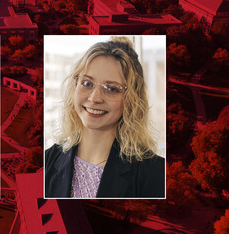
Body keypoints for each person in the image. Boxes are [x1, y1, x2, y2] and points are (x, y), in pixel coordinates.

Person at [45, 37, 165, 198]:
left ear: (132, 100)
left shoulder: (156, 174)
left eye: (111, 89)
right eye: (87, 83)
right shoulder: (45, 162)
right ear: (75, 86)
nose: (95, 98)